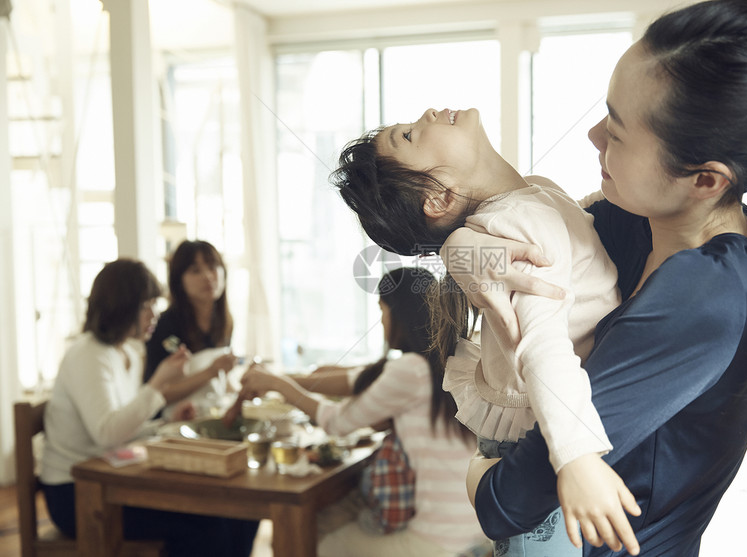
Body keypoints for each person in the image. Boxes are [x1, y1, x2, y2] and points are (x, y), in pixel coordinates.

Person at [443, 0, 747, 556]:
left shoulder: (706, 297)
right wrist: (467, 251)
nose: (593, 137)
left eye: (616, 132)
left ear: (705, 180)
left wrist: (477, 469)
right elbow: (512, 224)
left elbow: (508, 501)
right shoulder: (646, 222)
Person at [331, 106, 640, 554]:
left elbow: (581, 225)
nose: (429, 113)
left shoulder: (536, 195)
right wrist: (577, 459)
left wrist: (455, 246)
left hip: (551, 429)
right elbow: (541, 345)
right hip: (548, 441)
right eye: (413, 135)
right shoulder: (515, 227)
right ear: (438, 199)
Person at [238, 267, 490, 557]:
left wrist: (277, 384)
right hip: (477, 528)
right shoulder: (453, 358)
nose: (381, 321)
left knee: (312, 542)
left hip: (438, 543)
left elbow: (336, 422)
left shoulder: (410, 370)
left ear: (398, 314)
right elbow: (357, 378)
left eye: (382, 310)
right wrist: (285, 378)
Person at [41, 258, 259, 557]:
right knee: (207, 526)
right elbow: (107, 433)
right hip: (78, 492)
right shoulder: (88, 355)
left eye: (155, 304)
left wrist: (162, 422)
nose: (154, 315)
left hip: (113, 477)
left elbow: (123, 424)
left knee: (238, 512)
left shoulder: (124, 351)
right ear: (121, 306)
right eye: (146, 306)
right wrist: (157, 383)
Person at [144, 240, 238, 414]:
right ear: (179, 281)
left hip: (212, 414)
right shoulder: (164, 326)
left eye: (212, 267)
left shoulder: (225, 322)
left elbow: (222, 384)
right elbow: (156, 393)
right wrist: (211, 371)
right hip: (174, 422)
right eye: (195, 270)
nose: (208, 276)